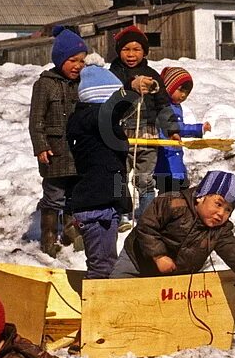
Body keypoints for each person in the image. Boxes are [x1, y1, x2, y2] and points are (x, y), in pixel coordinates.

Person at [111, 170, 235, 295]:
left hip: (175, 274)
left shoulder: (219, 230)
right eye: (218, 204)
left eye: (228, 209)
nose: (221, 213)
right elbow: (146, 227)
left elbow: (234, 252)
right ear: (201, 197)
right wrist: (158, 256)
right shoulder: (173, 203)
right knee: (115, 293)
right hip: (138, 259)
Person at [66, 55, 136, 278]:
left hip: (106, 206)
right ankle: (95, 308)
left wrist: (122, 202)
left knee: (107, 263)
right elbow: (112, 110)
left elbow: (117, 170)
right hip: (96, 209)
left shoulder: (101, 125)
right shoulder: (92, 118)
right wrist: (129, 90)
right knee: (102, 268)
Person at [28, 26, 88, 256]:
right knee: (54, 197)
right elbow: (36, 120)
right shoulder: (44, 84)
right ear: (60, 58)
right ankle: (49, 238)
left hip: (77, 151)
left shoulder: (82, 83)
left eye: (81, 61)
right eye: (73, 60)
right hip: (54, 152)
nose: (78, 66)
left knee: (74, 195)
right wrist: (41, 145)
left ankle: (72, 234)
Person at [108, 25, 177, 221]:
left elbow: (163, 104)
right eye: (126, 49)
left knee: (144, 178)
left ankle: (147, 216)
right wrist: (131, 85)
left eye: (136, 49)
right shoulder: (113, 73)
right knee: (119, 175)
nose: (131, 54)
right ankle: (120, 213)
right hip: (119, 133)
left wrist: (172, 129)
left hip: (147, 133)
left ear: (144, 51)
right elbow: (109, 98)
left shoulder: (152, 74)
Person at [153, 66, 211, 195]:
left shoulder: (176, 106)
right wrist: (198, 129)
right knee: (169, 195)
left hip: (175, 160)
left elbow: (178, 128)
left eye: (187, 92)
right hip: (166, 160)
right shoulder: (163, 107)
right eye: (180, 90)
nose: (183, 95)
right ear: (169, 87)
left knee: (179, 192)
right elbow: (175, 128)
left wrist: (198, 129)